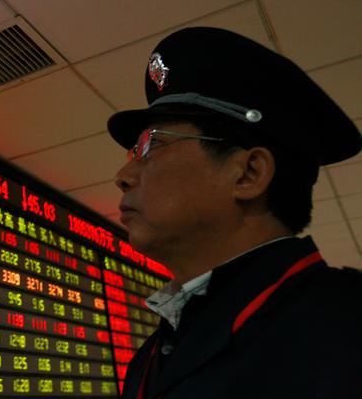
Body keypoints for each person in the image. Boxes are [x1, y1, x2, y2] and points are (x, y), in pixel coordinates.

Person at [109, 27, 361, 398]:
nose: (123, 175)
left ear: (248, 174)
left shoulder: (348, 326)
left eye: (153, 144)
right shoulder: (149, 358)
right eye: (135, 151)